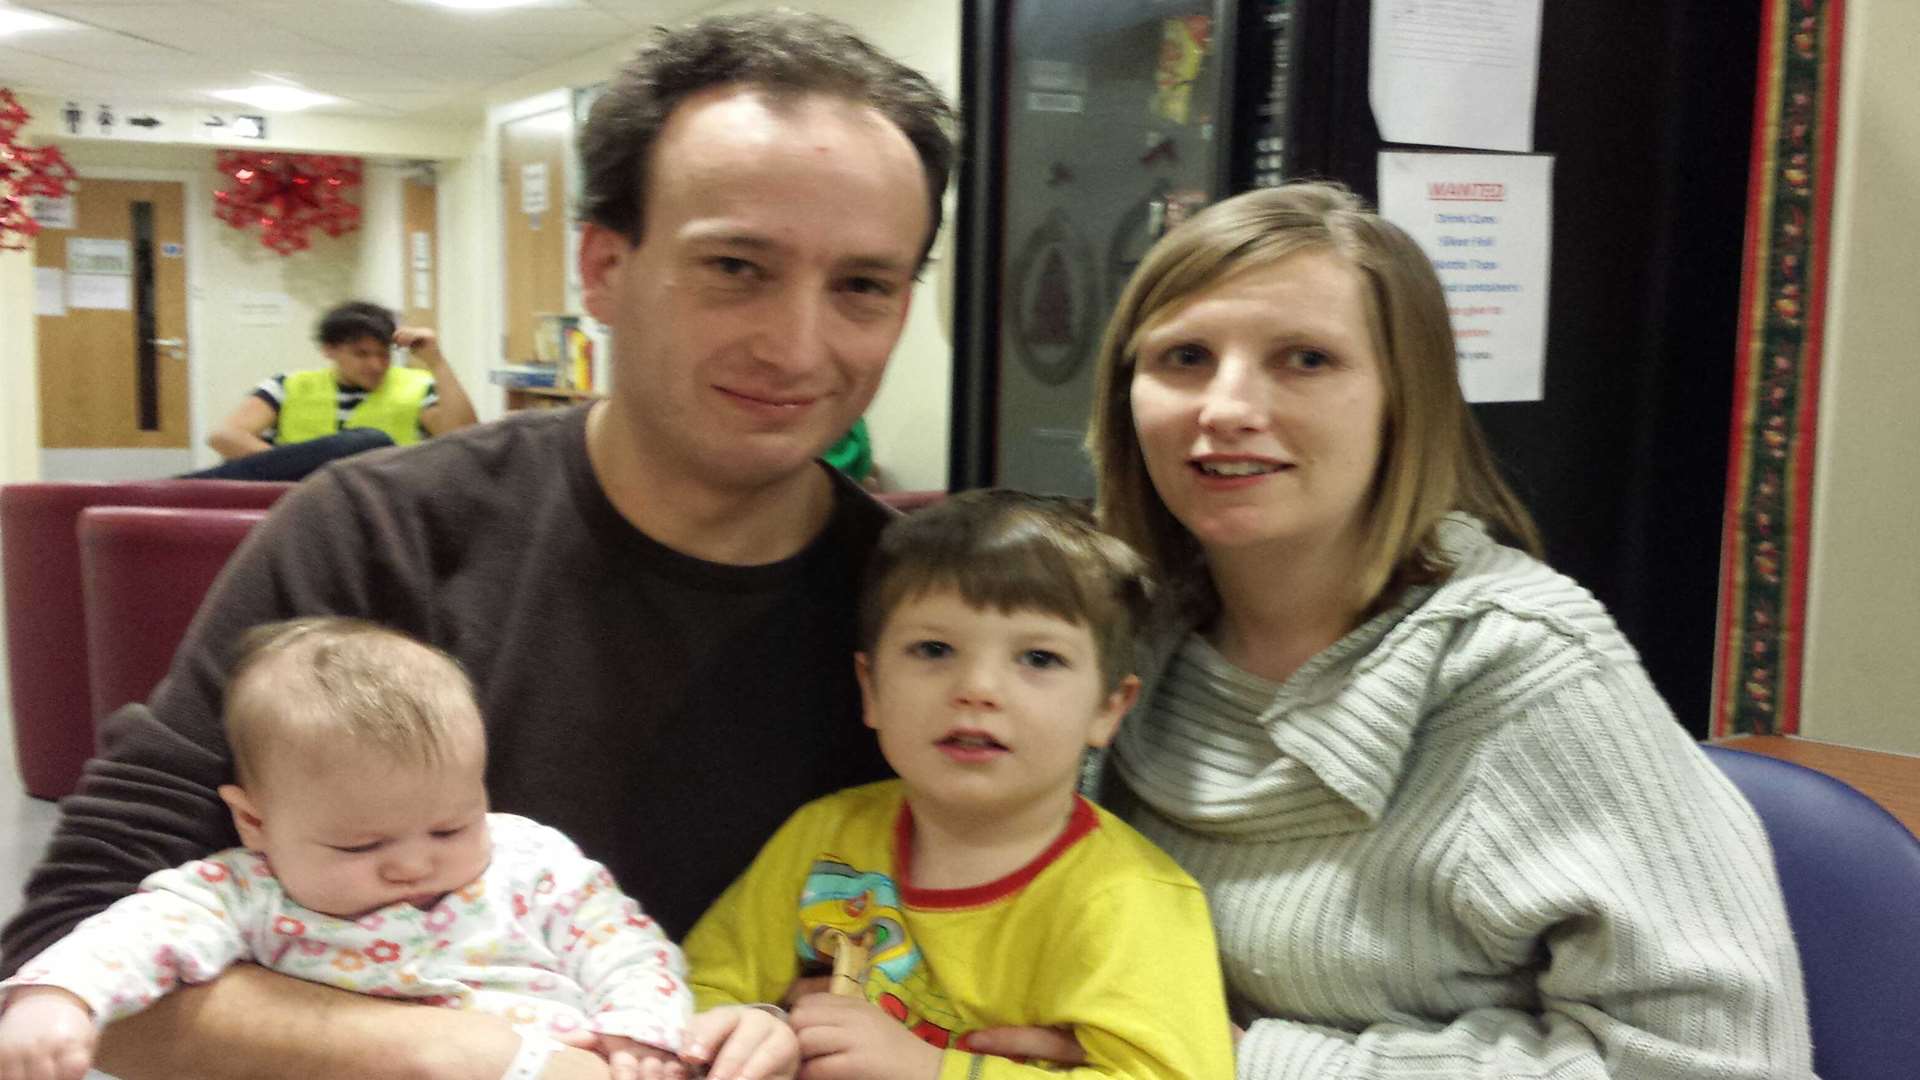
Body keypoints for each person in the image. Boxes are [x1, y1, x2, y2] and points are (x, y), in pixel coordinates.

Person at [1, 11, 954, 1080]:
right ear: (603, 267)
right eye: (736, 265)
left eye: (862, 286)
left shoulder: (930, 613)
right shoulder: (379, 536)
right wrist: (467, 1053)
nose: (795, 345)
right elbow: (63, 944)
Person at [1065, 181, 1811, 1078]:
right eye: (1184, 356)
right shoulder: (1120, 636)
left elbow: (1724, 1066)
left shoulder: (1532, 672)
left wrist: (1249, 1062)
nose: (1225, 407)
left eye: (1304, 358)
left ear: (1401, 401)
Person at [0, 619, 797, 1080]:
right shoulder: (240, 892)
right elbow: (127, 938)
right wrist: (57, 998)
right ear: (255, 823)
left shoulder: (530, 863)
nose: (413, 864)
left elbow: (627, 948)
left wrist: (638, 1030)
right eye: (361, 843)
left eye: (451, 827)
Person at [684, 491, 1236, 1079]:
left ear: (1108, 707)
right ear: (871, 689)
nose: (977, 687)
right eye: (934, 649)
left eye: (1040, 658)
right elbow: (700, 986)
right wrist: (758, 1023)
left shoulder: (1130, 899)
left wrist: (931, 1070)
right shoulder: (823, 835)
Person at [206, 300, 480, 462]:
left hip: (381, 499)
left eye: (383, 354)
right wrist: (300, 472)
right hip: (295, 501)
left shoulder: (418, 386)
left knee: (368, 442)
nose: (375, 365)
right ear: (330, 350)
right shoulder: (289, 385)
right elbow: (225, 437)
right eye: (361, 354)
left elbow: (465, 440)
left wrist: (437, 362)